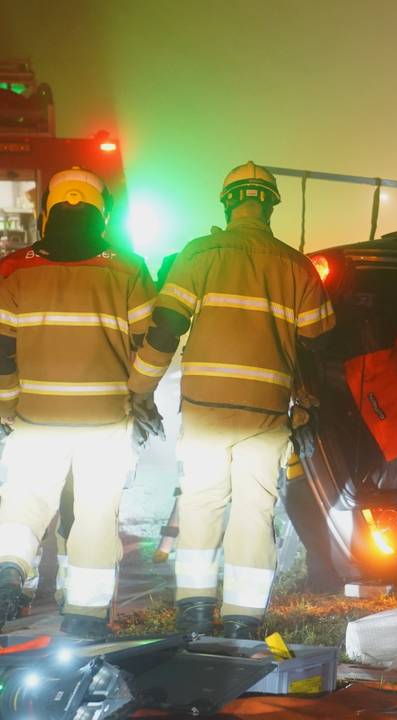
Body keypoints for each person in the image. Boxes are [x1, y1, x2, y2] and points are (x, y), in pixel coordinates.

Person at [127, 162, 334, 639]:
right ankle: (243, 618)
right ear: (271, 206)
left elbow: (166, 328)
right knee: (254, 512)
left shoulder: (199, 254)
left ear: (227, 202)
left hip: (205, 410)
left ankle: (195, 611)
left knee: (201, 505)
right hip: (265, 415)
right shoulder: (295, 265)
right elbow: (321, 339)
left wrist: (140, 388)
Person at [0, 167, 160, 638]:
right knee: (95, 511)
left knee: (24, 502)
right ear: (102, 212)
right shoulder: (128, 267)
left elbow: (1, 347)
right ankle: (86, 616)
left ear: (48, 210)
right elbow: (148, 341)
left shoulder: (14, 268)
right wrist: (140, 395)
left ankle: (9, 569)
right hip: (105, 420)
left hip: (35, 418)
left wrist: (7, 405)